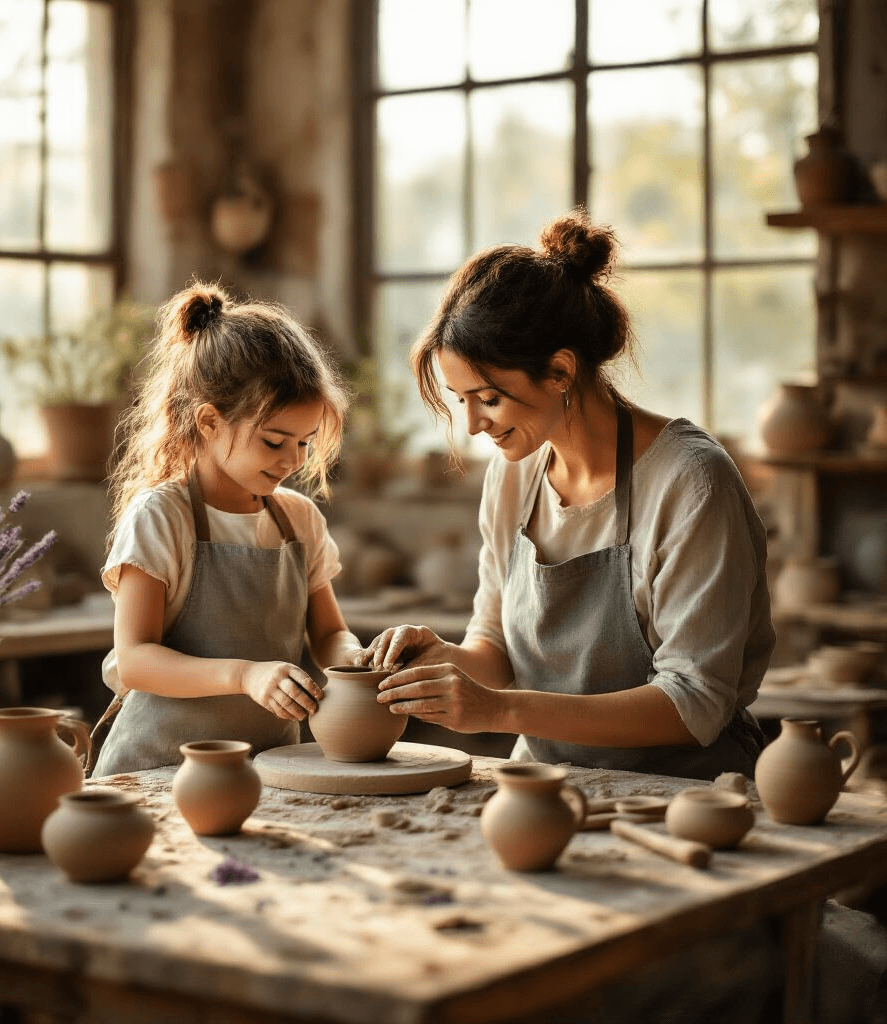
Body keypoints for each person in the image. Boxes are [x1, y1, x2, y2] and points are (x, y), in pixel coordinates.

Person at [365, 208, 774, 781]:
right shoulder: (513, 475)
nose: (475, 426)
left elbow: (695, 703)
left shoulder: (691, 482)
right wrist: (441, 660)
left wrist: (500, 710)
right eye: (462, 402)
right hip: (544, 783)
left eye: (488, 398)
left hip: (689, 794)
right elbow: (495, 648)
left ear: (559, 371)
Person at [89, 281, 364, 777]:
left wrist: (357, 659)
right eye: (275, 441)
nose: (292, 461)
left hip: (271, 770)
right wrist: (245, 675)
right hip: (158, 772)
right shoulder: (162, 518)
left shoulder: (298, 521)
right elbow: (134, 660)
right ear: (210, 422)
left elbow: (329, 633)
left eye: (305, 443)